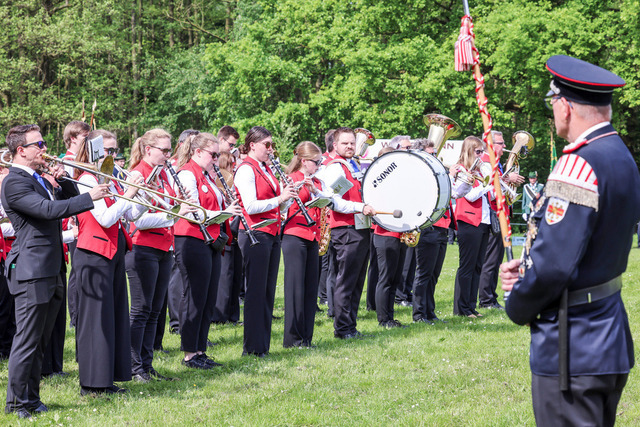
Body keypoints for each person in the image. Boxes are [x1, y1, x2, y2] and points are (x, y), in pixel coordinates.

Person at [500, 55, 640, 426]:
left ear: (565, 106)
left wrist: (518, 303)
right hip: (606, 333)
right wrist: (526, 270)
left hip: (572, 344)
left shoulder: (579, 163)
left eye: (553, 102)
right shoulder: (620, 155)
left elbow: (554, 266)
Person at [2, 124, 109, 419]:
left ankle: (32, 398)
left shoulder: (38, 179)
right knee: (27, 339)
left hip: (50, 267)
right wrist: (90, 196)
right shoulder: (14, 182)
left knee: (41, 339)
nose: (45, 149)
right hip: (31, 270)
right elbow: (47, 211)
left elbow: (64, 205)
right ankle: (16, 402)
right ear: (21, 151)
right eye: (39, 144)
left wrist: (63, 182)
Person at [73, 129, 146, 395]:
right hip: (93, 253)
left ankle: (107, 378)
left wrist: (141, 196)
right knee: (96, 321)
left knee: (113, 317)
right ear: (93, 149)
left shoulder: (109, 178)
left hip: (113, 252)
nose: (112, 155)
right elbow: (104, 218)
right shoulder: (87, 179)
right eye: (107, 150)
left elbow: (129, 215)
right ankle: (92, 383)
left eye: (115, 150)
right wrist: (129, 192)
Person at [126, 129, 195, 382]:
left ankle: (147, 365)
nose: (169, 154)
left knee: (155, 310)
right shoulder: (138, 174)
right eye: (164, 150)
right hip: (142, 247)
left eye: (169, 150)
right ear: (148, 149)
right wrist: (174, 214)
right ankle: (134, 367)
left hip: (164, 246)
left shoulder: (164, 174)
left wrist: (178, 206)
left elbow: (168, 209)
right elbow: (138, 220)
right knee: (141, 310)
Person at [173, 132, 241, 368]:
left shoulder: (206, 175)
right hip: (191, 239)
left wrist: (226, 208)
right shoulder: (186, 173)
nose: (216, 159)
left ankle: (200, 350)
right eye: (213, 155)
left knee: (208, 298)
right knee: (195, 297)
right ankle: (189, 353)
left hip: (209, 240)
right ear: (198, 152)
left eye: (218, 155)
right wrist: (224, 213)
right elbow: (193, 211)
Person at [234, 126, 296, 357]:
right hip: (254, 234)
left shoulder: (266, 168)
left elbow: (279, 204)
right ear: (252, 145)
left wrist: (287, 197)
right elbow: (250, 206)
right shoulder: (245, 169)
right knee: (256, 291)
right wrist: (280, 198)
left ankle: (263, 346)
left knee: (267, 291)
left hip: (271, 232)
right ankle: (252, 347)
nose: (271, 149)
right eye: (267, 145)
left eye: (272, 145)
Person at [321, 127, 376, 339]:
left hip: (359, 228)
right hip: (346, 230)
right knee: (346, 281)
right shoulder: (336, 167)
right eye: (345, 143)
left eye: (352, 143)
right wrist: (360, 207)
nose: (350, 146)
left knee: (357, 280)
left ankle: (350, 326)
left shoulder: (351, 165)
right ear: (335, 145)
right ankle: (342, 328)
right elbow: (333, 201)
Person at [281, 141, 325, 346]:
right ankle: (293, 339)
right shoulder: (291, 179)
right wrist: (299, 188)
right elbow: (284, 207)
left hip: (313, 236)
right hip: (295, 235)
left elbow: (326, 200)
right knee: (295, 289)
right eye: (316, 162)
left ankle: (306, 337)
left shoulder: (316, 181)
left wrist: (315, 191)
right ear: (304, 161)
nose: (319, 165)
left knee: (310, 289)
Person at [478, 131, 523, 310]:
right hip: (493, 213)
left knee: (496, 259)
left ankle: (491, 297)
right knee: (490, 260)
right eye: (501, 143)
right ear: (490, 144)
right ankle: (486, 299)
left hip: (500, 212)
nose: (505, 146)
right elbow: (490, 188)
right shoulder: (484, 161)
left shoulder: (493, 162)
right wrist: (507, 179)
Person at [412, 140, 453, 324]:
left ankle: (430, 311)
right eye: (431, 154)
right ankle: (419, 314)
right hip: (428, 227)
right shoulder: (419, 176)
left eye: (435, 154)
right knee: (424, 273)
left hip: (442, 226)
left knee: (434, 274)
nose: (435, 158)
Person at [451, 136, 493, 318]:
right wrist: (488, 184)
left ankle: (471, 306)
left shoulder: (479, 171)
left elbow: (487, 197)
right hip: (468, 221)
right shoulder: (461, 169)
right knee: (467, 266)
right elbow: (469, 196)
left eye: (482, 151)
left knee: (477, 266)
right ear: (469, 151)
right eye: (478, 151)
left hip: (482, 221)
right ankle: (461, 308)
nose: (481, 155)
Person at [212, 151, 244, 325]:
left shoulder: (232, 182)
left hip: (236, 232)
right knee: (225, 275)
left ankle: (233, 314)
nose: (234, 167)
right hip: (225, 231)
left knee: (236, 276)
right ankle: (220, 315)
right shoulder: (219, 181)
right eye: (231, 164)